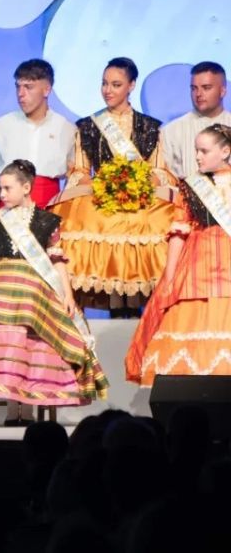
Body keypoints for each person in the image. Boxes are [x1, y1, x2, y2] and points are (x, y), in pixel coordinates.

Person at [0, 159, 108, 424]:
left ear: (26, 188)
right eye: (0, 189)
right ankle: (13, 410)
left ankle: (26, 408)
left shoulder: (48, 221)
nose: (1, 195)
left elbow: (57, 261)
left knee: (29, 329)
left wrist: (68, 296)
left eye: (7, 188)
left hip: (34, 285)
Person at [48, 57, 175, 315]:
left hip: (141, 201)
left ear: (131, 86)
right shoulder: (86, 127)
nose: (108, 90)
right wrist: (105, 186)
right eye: (104, 84)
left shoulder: (151, 128)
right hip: (101, 199)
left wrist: (136, 184)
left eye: (116, 84)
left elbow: (161, 171)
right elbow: (79, 172)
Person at [126, 124, 231, 384]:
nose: (197, 156)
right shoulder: (191, 187)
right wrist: (170, 277)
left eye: (204, 151)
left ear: (226, 151)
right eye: (197, 150)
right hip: (198, 262)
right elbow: (178, 233)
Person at [0, 59, 76, 208]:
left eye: (28, 87)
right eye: (18, 87)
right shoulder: (1, 126)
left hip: (50, 209)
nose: (21, 94)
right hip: (8, 212)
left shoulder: (66, 129)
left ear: (47, 90)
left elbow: (73, 179)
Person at [160, 62, 231, 179]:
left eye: (206, 88)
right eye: (194, 88)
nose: (198, 94)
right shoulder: (171, 131)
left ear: (222, 91)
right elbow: (164, 178)